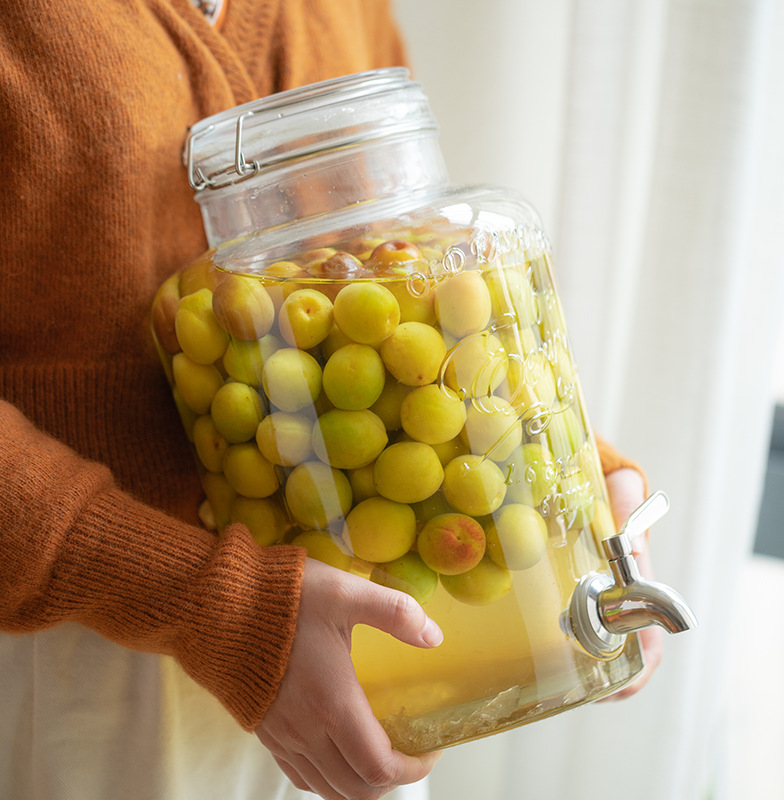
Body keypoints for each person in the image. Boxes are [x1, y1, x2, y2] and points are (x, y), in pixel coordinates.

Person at [0, 1, 658, 799]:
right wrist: (220, 610)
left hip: (346, 639)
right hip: (72, 633)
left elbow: (394, 271)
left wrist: (571, 467)